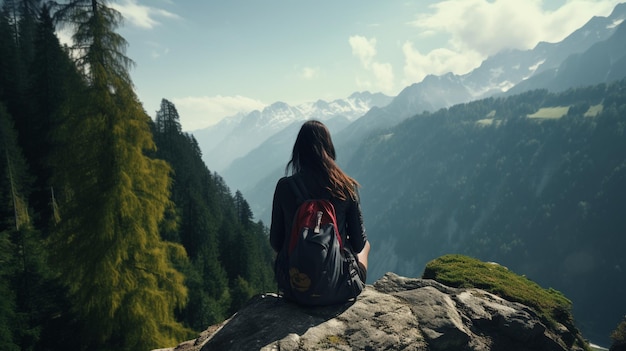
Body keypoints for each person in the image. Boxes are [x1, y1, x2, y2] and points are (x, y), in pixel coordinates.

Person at [270, 120, 370, 299]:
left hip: (294, 289)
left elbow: (276, 243)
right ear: (329, 148)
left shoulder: (285, 187)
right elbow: (359, 244)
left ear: (298, 152)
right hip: (339, 288)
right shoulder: (346, 187)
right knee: (366, 247)